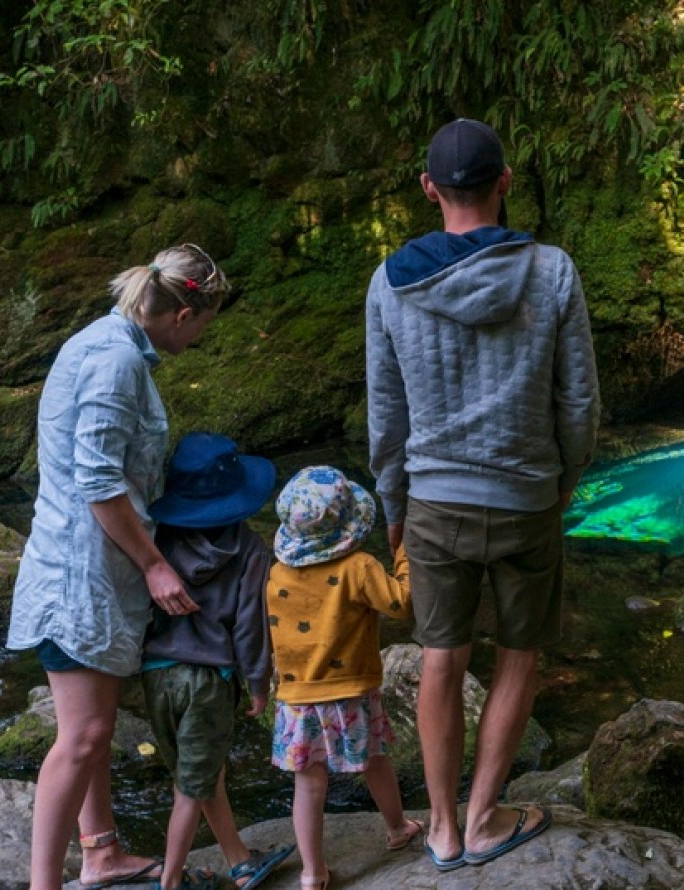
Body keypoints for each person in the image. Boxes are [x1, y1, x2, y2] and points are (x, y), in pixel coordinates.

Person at [365, 118, 600, 870]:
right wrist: (563, 480)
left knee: (440, 656)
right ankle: (487, 815)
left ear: (430, 189)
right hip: (528, 495)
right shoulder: (553, 271)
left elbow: (386, 411)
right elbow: (579, 402)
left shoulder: (389, 282)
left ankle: (439, 827)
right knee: (521, 655)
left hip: (433, 500)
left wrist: (392, 506)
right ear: (505, 181)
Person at [7, 243, 227, 890]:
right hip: (80, 573)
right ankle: (46, 883)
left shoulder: (106, 339)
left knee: (93, 729)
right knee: (82, 735)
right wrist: (156, 565)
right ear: (185, 314)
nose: (204, 335)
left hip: (82, 564)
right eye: (207, 323)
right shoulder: (117, 361)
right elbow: (98, 480)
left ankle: (100, 852)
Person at [137, 431, 294, 890]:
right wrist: (259, 683)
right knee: (192, 786)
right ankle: (169, 881)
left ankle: (239, 859)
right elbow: (250, 625)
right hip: (208, 681)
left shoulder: (156, 544)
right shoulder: (248, 548)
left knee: (201, 773)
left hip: (155, 676)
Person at [267, 466, 425, 890]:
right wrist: (405, 554)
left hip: (296, 697)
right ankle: (397, 829)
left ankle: (312, 873)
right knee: (375, 759)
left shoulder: (278, 574)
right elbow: (401, 603)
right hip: (350, 693)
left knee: (308, 782)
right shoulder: (359, 566)